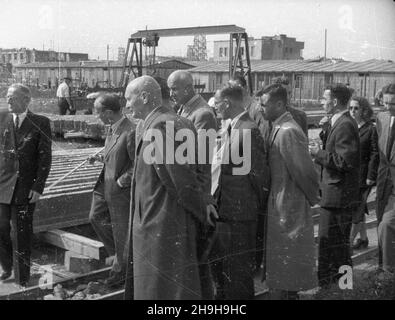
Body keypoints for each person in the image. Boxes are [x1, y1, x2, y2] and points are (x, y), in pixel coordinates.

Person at [124, 75, 217, 300]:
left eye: (129, 98)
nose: (126, 104)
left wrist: (200, 211)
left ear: (144, 97)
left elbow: (181, 181)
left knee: (163, 289)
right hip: (162, 220)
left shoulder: (162, 125)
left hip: (160, 223)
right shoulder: (172, 121)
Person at [259, 84, 319, 299]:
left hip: (288, 207)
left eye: (264, 104)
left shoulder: (288, 131)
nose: (260, 108)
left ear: (279, 104)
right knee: (282, 271)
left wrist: (311, 199)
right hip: (282, 204)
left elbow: (305, 172)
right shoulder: (279, 126)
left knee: (286, 272)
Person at [209, 85, 269, 299]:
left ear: (227, 103)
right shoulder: (232, 127)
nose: (215, 108)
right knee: (225, 268)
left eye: (217, 104)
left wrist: (248, 208)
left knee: (238, 272)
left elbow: (258, 177)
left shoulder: (248, 130)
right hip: (227, 211)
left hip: (240, 215)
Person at [167, 70, 218, 299]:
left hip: (197, 191)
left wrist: (203, 199)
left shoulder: (202, 114)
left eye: (174, 89)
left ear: (188, 88)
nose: (171, 93)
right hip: (189, 190)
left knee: (198, 254)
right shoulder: (185, 110)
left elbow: (202, 162)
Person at [0, 84, 52, 286]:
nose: (8, 100)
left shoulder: (40, 123)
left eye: (12, 97)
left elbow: (45, 158)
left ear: (26, 100)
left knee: (21, 233)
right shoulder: (2, 119)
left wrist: (38, 187)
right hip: (2, 184)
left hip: (24, 188)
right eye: (7, 97)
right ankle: (7, 267)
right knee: (0, 228)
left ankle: (22, 278)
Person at [310, 83, 360, 288]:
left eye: (324, 98)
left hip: (338, 198)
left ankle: (344, 288)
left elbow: (345, 162)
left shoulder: (345, 124)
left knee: (337, 249)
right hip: (333, 196)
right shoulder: (338, 122)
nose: (322, 102)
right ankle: (336, 287)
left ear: (335, 101)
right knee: (332, 246)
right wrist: (325, 132)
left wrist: (317, 154)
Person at [88, 93, 135, 287]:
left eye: (97, 111)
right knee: (95, 217)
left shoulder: (130, 131)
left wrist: (121, 183)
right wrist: (101, 159)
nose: (95, 115)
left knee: (122, 232)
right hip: (104, 186)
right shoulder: (112, 128)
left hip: (120, 191)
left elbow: (138, 165)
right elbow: (117, 158)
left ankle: (121, 273)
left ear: (108, 113)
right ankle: (117, 256)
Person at [348, 96, 379, 250]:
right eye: (351, 108)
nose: (353, 111)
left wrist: (370, 176)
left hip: (363, 176)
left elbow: (375, 153)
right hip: (350, 175)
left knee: (357, 210)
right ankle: (364, 239)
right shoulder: (349, 126)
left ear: (364, 110)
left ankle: (348, 244)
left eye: (356, 108)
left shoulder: (370, 129)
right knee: (358, 207)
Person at [376, 83, 395, 274]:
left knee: (386, 225)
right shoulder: (381, 118)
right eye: (386, 103)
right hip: (384, 183)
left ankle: (388, 274)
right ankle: (382, 268)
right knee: (382, 222)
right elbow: (377, 152)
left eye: (393, 104)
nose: (389, 107)